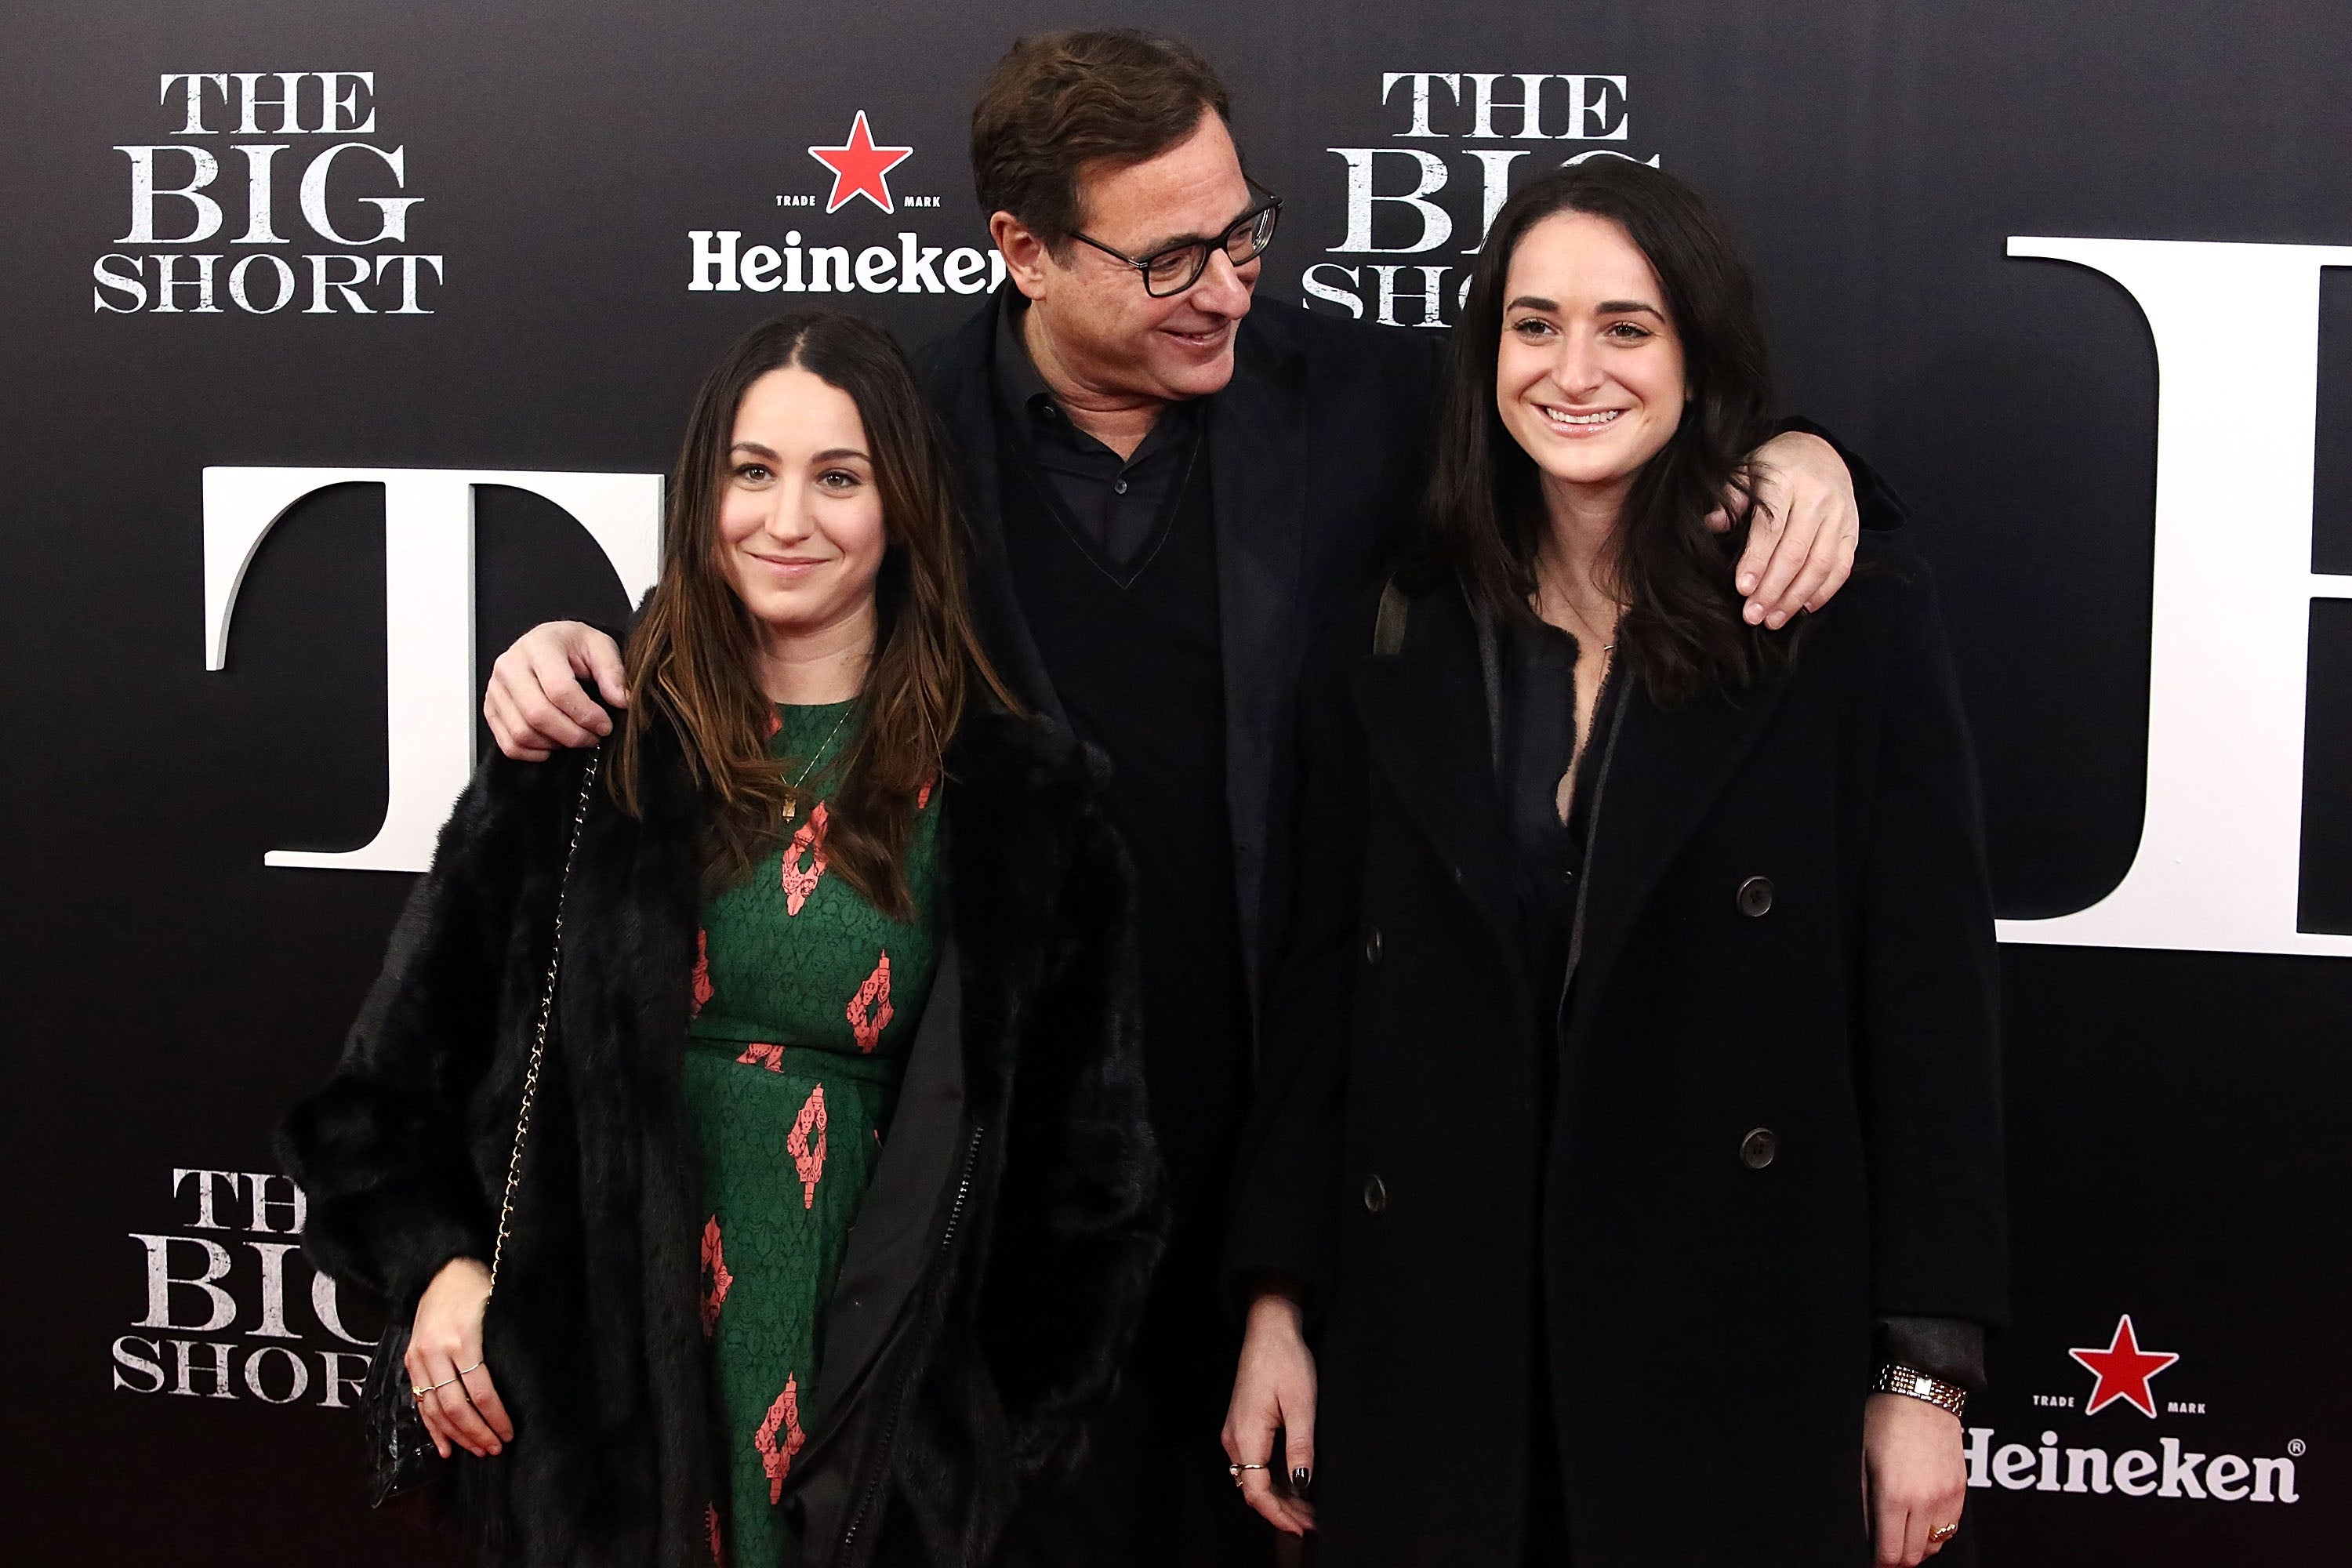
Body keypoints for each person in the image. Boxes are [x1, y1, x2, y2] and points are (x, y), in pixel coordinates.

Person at [477, 31, 1893, 1566]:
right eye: (1169, 260)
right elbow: (745, 601)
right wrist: (572, 658)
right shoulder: (906, 422)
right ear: (1021, 248)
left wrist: (1815, 460)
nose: (1226, 283)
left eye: (1243, 230)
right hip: (984, 1169)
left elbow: (1619, 431)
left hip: (1299, 1150)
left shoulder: (1367, 394)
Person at [280, 310, 1164, 1568]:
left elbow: (1093, 1192)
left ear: (904, 504)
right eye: (752, 472)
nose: (786, 520)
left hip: (871, 1446)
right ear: (703, 492)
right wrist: (438, 1274)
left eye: (839, 478)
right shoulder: (585, 755)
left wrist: (975, 1453)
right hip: (596, 1430)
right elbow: (374, 1105)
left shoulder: (1028, 811)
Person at [1219, 159, 2005, 1567]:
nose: (1573, 370)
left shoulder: (1843, 623)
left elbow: (1931, 1010)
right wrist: (1279, 1302)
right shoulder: (1394, 627)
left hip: (1733, 1344)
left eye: (1626, 328)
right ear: (1489, 354)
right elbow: (1325, 987)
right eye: (1534, 325)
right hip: (1436, 1352)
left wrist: (1924, 1374)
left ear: (1698, 355)